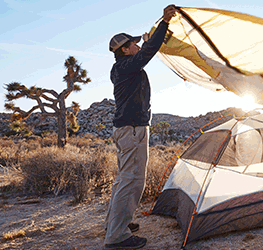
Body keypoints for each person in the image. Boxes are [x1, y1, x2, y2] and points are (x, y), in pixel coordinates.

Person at [103, 5, 177, 249]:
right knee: (132, 180)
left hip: (128, 129)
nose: (136, 45)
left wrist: (153, 37)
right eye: (132, 44)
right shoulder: (126, 66)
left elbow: (145, 50)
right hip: (132, 130)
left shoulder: (123, 68)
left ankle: (115, 223)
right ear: (124, 50)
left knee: (123, 179)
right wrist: (164, 23)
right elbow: (147, 52)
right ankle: (117, 236)